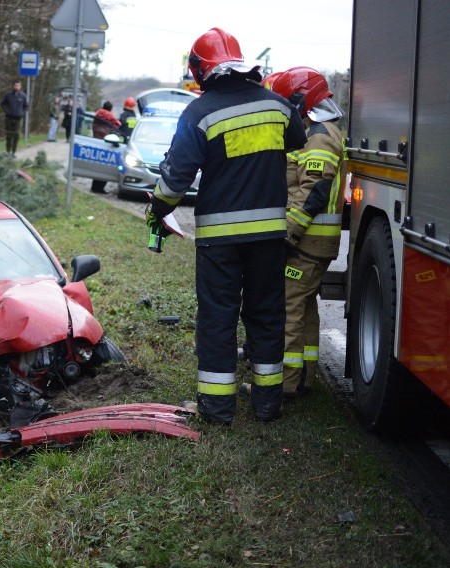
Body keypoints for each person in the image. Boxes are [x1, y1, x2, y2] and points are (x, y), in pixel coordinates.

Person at [148, 27, 307, 424]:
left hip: (220, 240)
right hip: (270, 234)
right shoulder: (278, 107)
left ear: (201, 70)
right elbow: (297, 140)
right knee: (267, 314)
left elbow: (174, 181)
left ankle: (218, 408)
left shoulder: (199, 113)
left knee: (218, 316)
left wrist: (157, 209)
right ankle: (268, 404)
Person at [261, 67, 345, 399]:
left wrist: (287, 235)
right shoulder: (319, 131)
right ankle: (305, 377)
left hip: (308, 241)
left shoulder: (320, 135)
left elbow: (314, 191)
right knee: (305, 304)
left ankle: (286, 383)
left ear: (300, 101)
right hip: (315, 242)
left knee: (289, 305)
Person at [90, 101, 122, 193]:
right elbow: (118, 125)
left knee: (96, 165)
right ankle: (100, 188)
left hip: (96, 142)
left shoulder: (97, 114)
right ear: (110, 108)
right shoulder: (109, 116)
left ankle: (94, 187)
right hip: (107, 143)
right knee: (105, 166)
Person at [1, 79, 28, 157]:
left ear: (20, 86)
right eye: (15, 85)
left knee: (16, 136)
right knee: (9, 135)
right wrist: (7, 111)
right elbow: (3, 104)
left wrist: (22, 113)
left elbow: (26, 106)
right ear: (13, 86)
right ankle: (8, 151)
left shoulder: (23, 96)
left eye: (18, 85)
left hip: (18, 119)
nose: (17, 87)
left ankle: (13, 152)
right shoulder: (8, 95)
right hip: (9, 118)